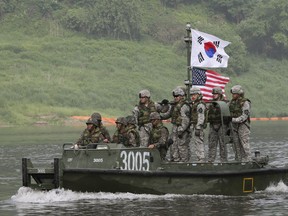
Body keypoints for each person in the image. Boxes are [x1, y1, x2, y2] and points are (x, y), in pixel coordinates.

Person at [161, 87, 190, 162]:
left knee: (182, 145)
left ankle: (184, 161)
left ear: (181, 96)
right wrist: (160, 116)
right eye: (174, 96)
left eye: (177, 96)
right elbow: (168, 114)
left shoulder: (184, 106)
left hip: (182, 129)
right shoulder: (174, 105)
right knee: (173, 144)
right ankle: (175, 159)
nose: (175, 98)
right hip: (175, 127)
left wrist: (181, 129)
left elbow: (185, 120)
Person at [228, 85, 251, 162]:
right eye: (232, 94)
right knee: (236, 145)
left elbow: (244, 116)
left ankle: (248, 160)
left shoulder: (245, 103)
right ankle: (239, 161)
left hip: (243, 126)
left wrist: (233, 119)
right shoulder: (231, 103)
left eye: (234, 94)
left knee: (244, 144)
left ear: (239, 94)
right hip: (234, 127)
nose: (233, 95)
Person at [207, 86, 228, 163]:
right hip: (213, 125)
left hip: (222, 125)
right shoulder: (211, 103)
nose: (214, 95)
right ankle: (210, 160)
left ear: (219, 94)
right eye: (213, 94)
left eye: (216, 94)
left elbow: (227, 115)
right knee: (212, 144)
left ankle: (223, 160)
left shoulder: (224, 103)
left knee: (222, 144)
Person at [189, 86, 206, 162]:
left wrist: (198, 127)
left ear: (198, 95)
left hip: (198, 126)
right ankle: (199, 158)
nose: (193, 96)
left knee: (199, 142)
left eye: (194, 95)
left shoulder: (200, 105)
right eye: (191, 95)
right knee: (196, 142)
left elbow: (201, 117)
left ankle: (201, 159)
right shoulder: (194, 104)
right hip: (194, 125)